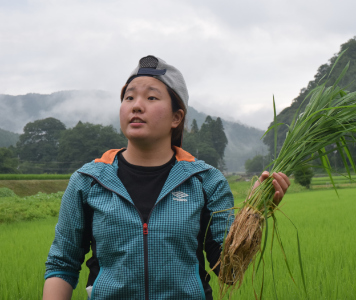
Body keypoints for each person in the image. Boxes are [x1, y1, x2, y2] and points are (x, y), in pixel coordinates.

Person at [43, 55, 290, 300]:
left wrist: (254, 212)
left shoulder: (206, 181)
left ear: (176, 117)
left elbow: (229, 271)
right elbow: (62, 263)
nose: (136, 105)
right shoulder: (88, 181)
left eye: (151, 97)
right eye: (129, 97)